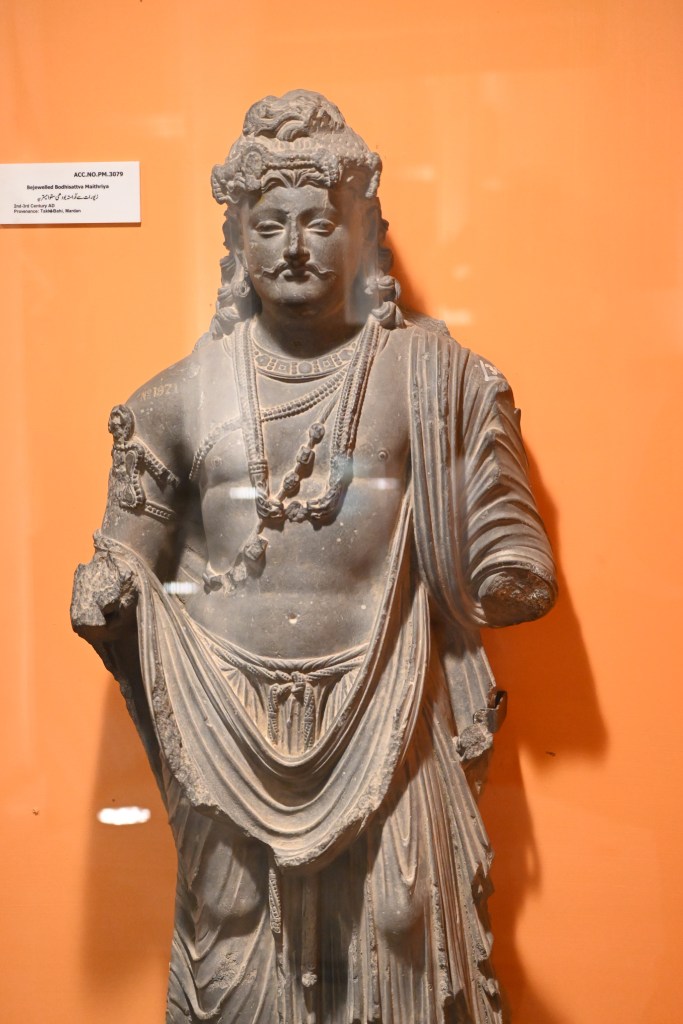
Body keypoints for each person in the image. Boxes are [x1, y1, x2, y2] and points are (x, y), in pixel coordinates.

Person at [71, 90, 557, 1024]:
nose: (294, 247)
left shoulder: (432, 377)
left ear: (365, 235)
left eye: (320, 223)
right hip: (225, 711)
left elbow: (500, 523)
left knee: (403, 918)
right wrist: (108, 584)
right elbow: (126, 548)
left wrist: (503, 566)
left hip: (387, 697)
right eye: (269, 226)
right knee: (227, 921)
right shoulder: (178, 398)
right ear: (236, 243)